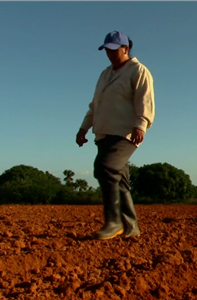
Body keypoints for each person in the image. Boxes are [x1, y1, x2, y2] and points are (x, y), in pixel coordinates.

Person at [76, 30, 155, 239]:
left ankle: (113, 221)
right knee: (119, 181)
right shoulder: (105, 74)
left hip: (125, 133)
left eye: (113, 50)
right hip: (104, 133)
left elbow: (145, 100)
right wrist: (84, 127)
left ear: (125, 49)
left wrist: (141, 124)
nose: (109, 54)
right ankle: (131, 228)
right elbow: (95, 105)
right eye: (106, 50)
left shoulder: (138, 71)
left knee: (105, 168)